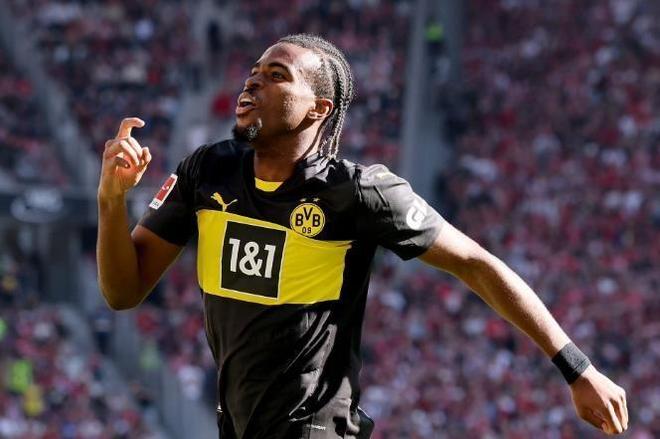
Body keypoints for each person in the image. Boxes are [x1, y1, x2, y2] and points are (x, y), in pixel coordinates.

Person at [96, 34, 628, 438]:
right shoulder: (206, 171)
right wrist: (111, 201)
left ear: (318, 108)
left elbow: (476, 263)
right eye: (253, 72)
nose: (252, 83)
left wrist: (577, 368)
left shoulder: (358, 192)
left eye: (276, 75)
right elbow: (123, 291)